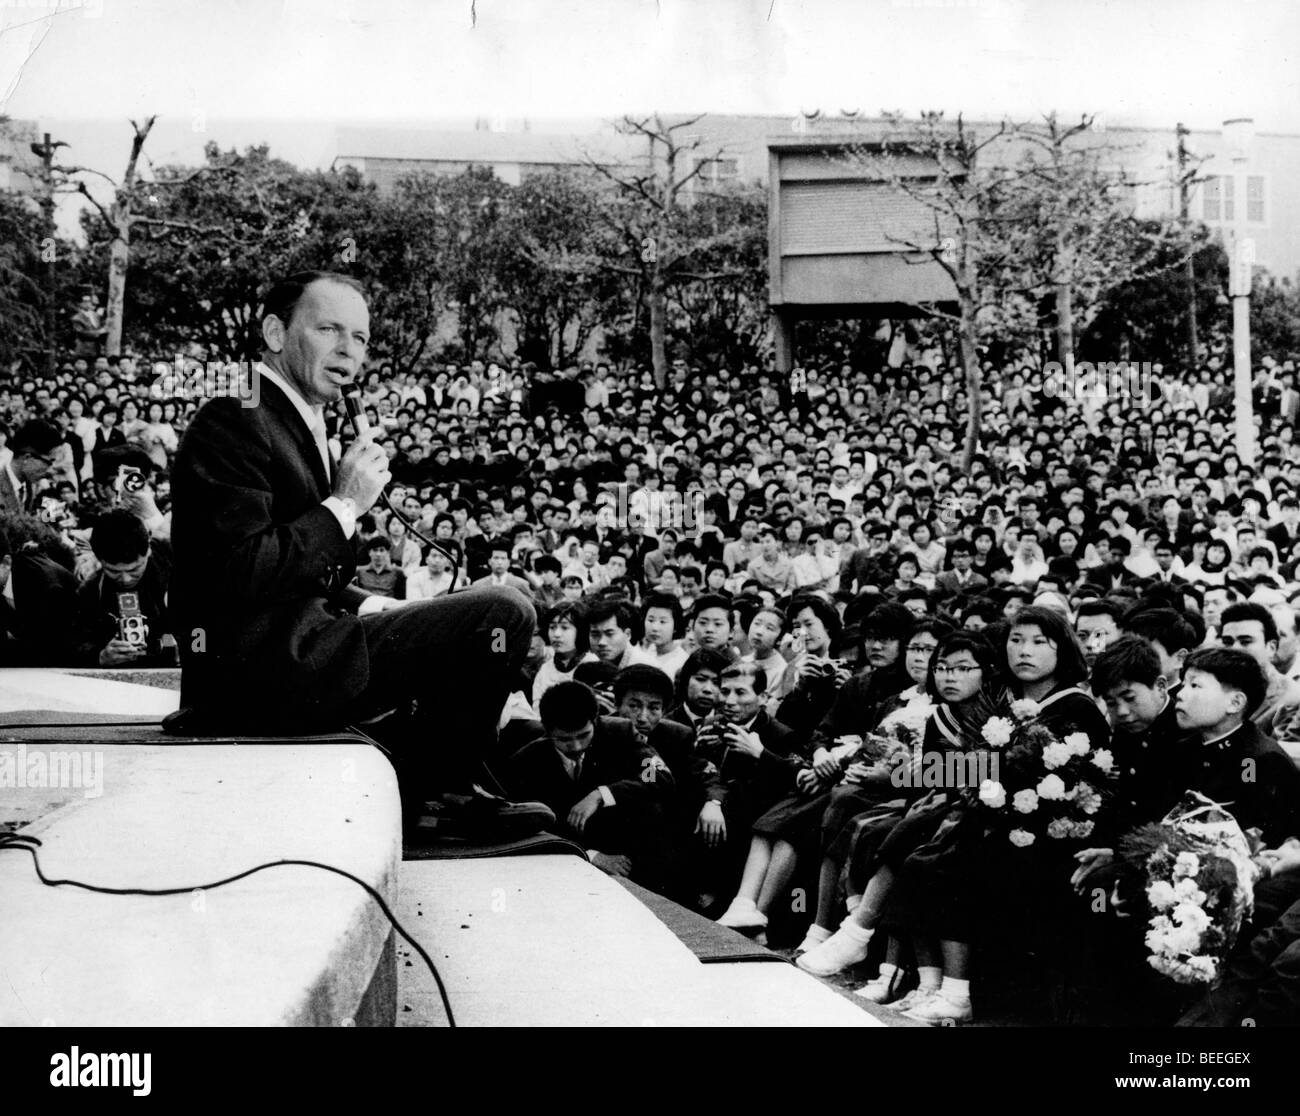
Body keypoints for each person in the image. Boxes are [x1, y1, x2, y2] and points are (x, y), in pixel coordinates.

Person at [169, 271, 541, 836]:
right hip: (265, 671)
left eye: (361, 338)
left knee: (471, 619)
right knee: (504, 609)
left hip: (301, 650)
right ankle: (440, 797)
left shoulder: (299, 418)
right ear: (275, 331)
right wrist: (344, 505)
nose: (349, 350)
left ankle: (435, 789)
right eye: (329, 330)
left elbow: (299, 571)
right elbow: (237, 571)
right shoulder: (234, 417)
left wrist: (372, 608)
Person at [504, 681, 676, 889]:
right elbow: (530, 830)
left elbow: (657, 775)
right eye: (565, 739)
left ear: (594, 721)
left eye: (584, 735)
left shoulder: (620, 733)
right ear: (548, 732)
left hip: (631, 851)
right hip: (566, 863)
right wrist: (590, 855)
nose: (576, 746)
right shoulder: (526, 762)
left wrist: (603, 794)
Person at [74, 509, 175, 667]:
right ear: (99, 560)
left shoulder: (174, 565)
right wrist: (100, 656)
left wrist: (196, 650)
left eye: (134, 569)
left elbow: (204, 627)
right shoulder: (90, 591)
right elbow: (74, 643)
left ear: (148, 551)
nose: (125, 579)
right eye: (113, 571)